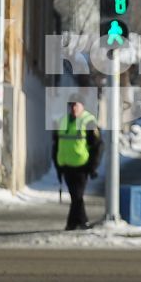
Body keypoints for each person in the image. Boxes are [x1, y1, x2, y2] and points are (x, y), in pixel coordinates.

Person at [53, 98, 101, 230]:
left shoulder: (88, 121)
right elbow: (56, 144)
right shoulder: (63, 121)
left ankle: (77, 222)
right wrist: (57, 165)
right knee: (75, 196)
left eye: (76, 105)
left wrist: (92, 166)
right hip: (66, 164)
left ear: (82, 106)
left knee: (77, 195)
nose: (74, 108)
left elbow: (97, 146)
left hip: (82, 165)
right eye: (72, 105)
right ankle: (76, 222)